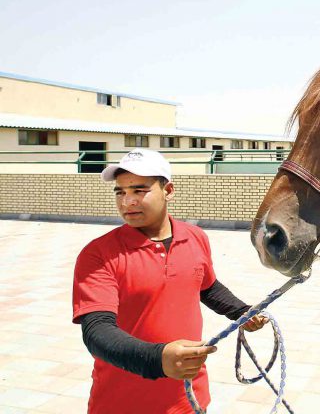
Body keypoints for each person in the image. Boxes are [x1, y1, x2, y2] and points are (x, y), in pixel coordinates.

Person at [72, 148, 267, 414]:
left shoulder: (195, 237)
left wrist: (241, 312)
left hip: (190, 401)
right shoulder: (99, 254)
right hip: (122, 403)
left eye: (139, 190)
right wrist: (158, 359)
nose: (127, 201)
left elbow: (205, 286)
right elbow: (97, 331)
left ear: (168, 190)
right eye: (120, 192)